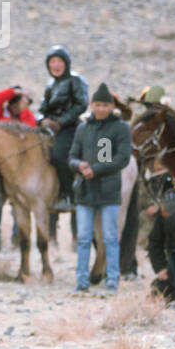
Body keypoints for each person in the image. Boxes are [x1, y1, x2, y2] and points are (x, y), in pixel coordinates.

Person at [68, 83, 132, 293]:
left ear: (111, 106)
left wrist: (95, 169)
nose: (101, 109)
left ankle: (112, 279)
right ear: (91, 104)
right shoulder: (83, 128)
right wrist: (79, 165)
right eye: (97, 104)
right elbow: (72, 156)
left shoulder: (121, 128)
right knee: (84, 237)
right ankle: (81, 281)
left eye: (105, 105)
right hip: (85, 190)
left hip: (109, 190)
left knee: (110, 237)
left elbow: (122, 158)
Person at [38, 45, 88, 218]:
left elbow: (81, 104)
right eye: (52, 61)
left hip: (70, 128)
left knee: (59, 155)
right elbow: (41, 108)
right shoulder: (50, 84)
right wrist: (42, 120)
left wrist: (60, 122)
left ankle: (69, 196)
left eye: (59, 61)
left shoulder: (76, 80)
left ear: (66, 63)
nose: (56, 65)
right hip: (49, 128)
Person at [0, 85, 34, 251]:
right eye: (19, 101)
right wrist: (15, 91)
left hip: (20, 170)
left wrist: (24, 110)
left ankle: (17, 242)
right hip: (0, 169)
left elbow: (30, 133)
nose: (22, 104)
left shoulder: (28, 116)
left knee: (19, 207)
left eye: (25, 101)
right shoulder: (1, 115)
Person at [147, 174, 175, 304]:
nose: (163, 213)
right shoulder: (162, 216)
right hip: (174, 259)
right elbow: (154, 242)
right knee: (160, 288)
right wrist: (161, 268)